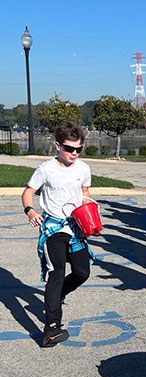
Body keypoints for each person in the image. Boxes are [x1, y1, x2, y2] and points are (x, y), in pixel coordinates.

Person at [21, 121, 94, 348]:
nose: (74, 153)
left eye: (78, 149)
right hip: (53, 229)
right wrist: (30, 210)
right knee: (56, 273)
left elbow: (84, 191)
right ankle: (51, 328)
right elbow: (28, 192)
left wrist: (89, 203)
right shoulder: (46, 169)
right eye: (69, 148)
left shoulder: (83, 169)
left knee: (82, 272)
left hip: (76, 229)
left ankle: (57, 296)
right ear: (57, 146)